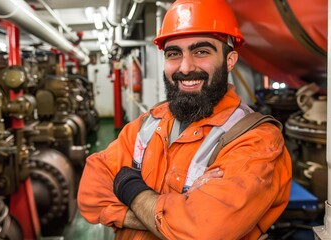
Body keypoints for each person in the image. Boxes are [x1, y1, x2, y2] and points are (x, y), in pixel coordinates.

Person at [77, 0, 292, 239]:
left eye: (201, 52)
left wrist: (129, 186)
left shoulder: (256, 140)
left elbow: (202, 231)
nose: (186, 67)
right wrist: (174, 213)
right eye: (173, 53)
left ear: (230, 60)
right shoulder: (150, 123)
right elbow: (89, 193)